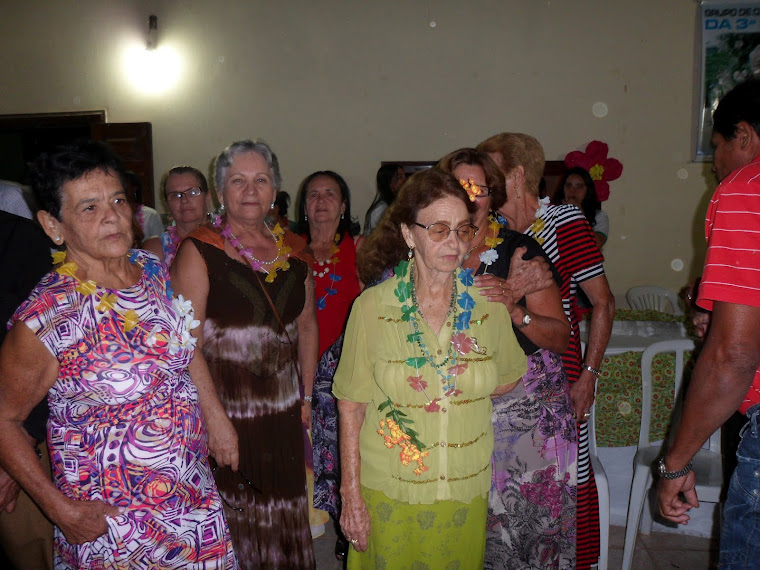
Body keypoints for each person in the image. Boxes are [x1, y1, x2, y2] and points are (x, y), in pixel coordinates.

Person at [0, 140, 237, 568]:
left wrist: (216, 418)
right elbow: (4, 418)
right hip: (114, 523)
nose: (111, 216)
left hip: (191, 496)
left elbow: (183, 345)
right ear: (53, 226)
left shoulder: (148, 268)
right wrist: (60, 509)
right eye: (88, 208)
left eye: (117, 200)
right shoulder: (47, 314)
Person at [336, 168, 528, 568]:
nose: (454, 242)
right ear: (409, 234)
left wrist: (455, 390)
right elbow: (351, 405)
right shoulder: (372, 308)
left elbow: (509, 377)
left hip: (462, 487)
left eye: (463, 230)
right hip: (389, 487)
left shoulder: (488, 305)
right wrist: (350, 495)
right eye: (438, 229)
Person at [171, 139, 318, 569]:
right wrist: (215, 420)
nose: (250, 191)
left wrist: (305, 397)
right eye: (238, 181)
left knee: (285, 512)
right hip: (228, 413)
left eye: (260, 181)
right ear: (221, 192)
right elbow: (184, 342)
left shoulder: (296, 251)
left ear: (275, 190)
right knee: (237, 520)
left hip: (283, 411)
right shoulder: (200, 249)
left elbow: (306, 325)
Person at [478, 133, 615, 570]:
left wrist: (589, 375)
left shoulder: (564, 221)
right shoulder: (496, 230)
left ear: (517, 176)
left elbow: (604, 302)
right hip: (510, 376)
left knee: (561, 484)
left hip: (564, 367)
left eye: (493, 172)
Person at [438, 148, 577, 568]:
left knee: (532, 536)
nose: (469, 196)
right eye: (459, 186)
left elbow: (560, 337)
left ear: (492, 197)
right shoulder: (425, 254)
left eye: (479, 188)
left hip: (529, 411)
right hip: (461, 408)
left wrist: (516, 310)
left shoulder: (520, 251)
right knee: (474, 536)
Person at [657, 79, 760, 567]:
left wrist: (674, 462)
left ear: (742, 135)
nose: (715, 164)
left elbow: (733, 356)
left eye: (716, 147)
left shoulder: (744, 192)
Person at [296, 170, 364, 557]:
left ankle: (346, 525)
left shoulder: (363, 249)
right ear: (304, 207)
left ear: (342, 205)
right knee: (307, 455)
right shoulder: (288, 250)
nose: (321, 201)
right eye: (313, 195)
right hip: (300, 370)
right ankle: (309, 523)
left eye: (330, 194)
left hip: (345, 372)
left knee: (344, 453)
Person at [0, 211, 54, 569]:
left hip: (11, 437)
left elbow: (50, 349)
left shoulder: (19, 240)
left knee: (31, 552)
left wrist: (16, 458)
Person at [144, 166, 212, 266]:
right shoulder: (155, 250)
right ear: (166, 203)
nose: (184, 200)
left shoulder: (229, 239)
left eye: (192, 192)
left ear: (207, 197)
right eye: (175, 195)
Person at [554, 166, 609, 249]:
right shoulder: (552, 213)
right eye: (569, 185)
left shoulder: (599, 216)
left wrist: (579, 213)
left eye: (579, 186)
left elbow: (597, 243)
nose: (572, 191)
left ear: (587, 190)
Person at [363, 163, 406, 236]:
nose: (405, 180)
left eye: (405, 176)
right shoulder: (380, 210)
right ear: (389, 183)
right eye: (399, 177)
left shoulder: (400, 205)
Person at [124, 171, 164, 242]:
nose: (123, 189)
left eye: (125, 185)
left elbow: (160, 243)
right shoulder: (115, 214)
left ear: (135, 188)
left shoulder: (151, 214)